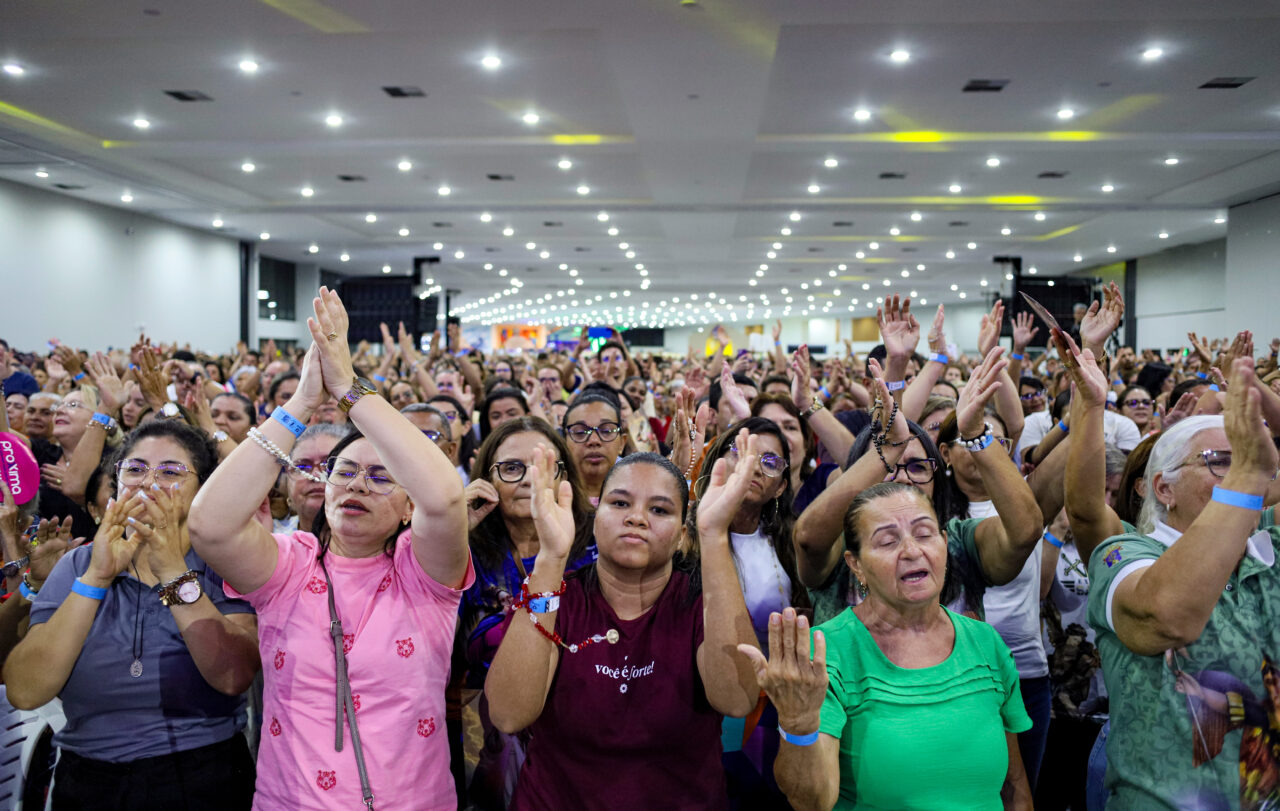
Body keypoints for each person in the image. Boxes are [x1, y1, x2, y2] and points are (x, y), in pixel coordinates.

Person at [188, 287, 473, 810]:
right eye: (345, 472)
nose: (358, 484)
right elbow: (209, 525)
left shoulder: (424, 572)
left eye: (380, 477)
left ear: (408, 508)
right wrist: (301, 402)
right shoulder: (292, 562)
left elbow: (446, 497)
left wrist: (348, 387)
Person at [485, 441, 763, 810]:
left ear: (682, 534)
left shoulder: (704, 601)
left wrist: (713, 538)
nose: (637, 518)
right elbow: (508, 714)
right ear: (595, 519)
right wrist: (550, 558)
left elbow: (737, 700)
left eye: (659, 509)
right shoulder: (555, 597)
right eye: (619, 503)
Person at [4, 420, 261, 809]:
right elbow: (26, 691)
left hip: (202, 772)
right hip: (89, 775)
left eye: (171, 472)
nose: (149, 483)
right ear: (116, 484)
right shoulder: (79, 565)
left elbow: (233, 677)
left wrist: (172, 571)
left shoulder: (222, 564)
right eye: (136, 469)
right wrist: (97, 578)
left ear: (202, 489)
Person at [748, 481, 1033, 811]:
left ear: (943, 545)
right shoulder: (825, 653)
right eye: (887, 541)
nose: (912, 551)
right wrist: (799, 723)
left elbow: (1015, 787)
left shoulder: (986, 642)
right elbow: (812, 802)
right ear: (856, 565)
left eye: (924, 534)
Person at [1086, 357, 1280, 810]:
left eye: (1250, 462)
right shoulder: (1125, 555)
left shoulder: (1269, 549)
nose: (1243, 476)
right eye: (1220, 462)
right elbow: (1166, 617)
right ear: (1164, 488)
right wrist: (1247, 474)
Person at [458, 417, 597, 808]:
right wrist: (453, 529)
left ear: (564, 477)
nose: (527, 479)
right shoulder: (464, 548)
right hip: (485, 729)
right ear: (486, 478)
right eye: (511, 467)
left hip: (583, 721)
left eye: (541, 467)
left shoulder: (596, 544)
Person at [279, 423, 348, 534]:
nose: (316, 476)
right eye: (302, 467)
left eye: (329, 465)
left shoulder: (375, 540)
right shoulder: (270, 536)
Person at [561, 393, 628, 504]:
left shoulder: (639, 494)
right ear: (564, 443)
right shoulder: (551, 497)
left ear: (621, 443)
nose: (594, 441)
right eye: (580, 432)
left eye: (606, 431)